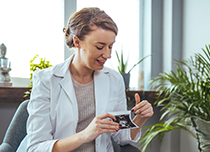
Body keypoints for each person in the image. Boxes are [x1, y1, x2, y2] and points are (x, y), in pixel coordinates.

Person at [17, 7, 154, 152]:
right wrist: (85, 135)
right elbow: (36, 147)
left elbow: (122, 136)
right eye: (100, 47)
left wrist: (140, 118)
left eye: (110, 46)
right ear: (77, 42)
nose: (107, 55)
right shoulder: (46, 81)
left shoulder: (114, 79)